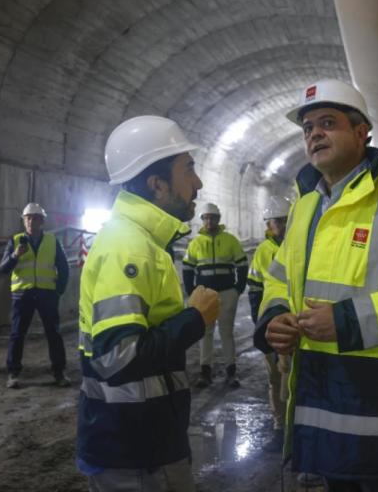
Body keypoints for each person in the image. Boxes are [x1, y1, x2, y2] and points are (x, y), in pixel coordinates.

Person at [253, 79, 378, 492]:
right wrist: (274, 318)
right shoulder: (306, 208)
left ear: (362, 131)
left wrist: (346, 320)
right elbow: (278, 279)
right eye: (308, 127)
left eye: (327, 123)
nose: (314, 134)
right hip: (323, 396)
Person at [76, 115, 220, 492]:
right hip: (135, 451)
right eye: (188, 169)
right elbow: (116, 357)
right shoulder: (129, 247)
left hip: (145, 438)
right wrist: (194, 319)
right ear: (157, 185)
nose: (199, 182)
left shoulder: (144, 242)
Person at [0, 202, 70, 389]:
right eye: (28, 218)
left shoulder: (52, 241)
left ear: (42, 221)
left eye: (35, 218)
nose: (31, 221)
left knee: (53, 333)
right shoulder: (14, 241)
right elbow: (3, 268)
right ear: (23, 221)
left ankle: (59, 372)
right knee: (17, 334)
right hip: (23, 294)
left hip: (47, 294)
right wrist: (15, 255)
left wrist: (59, 290)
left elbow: (63, 267)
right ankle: (13, 373)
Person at [183, 202, 248, 388]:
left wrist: (238, 288)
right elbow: (187, 268)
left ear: (218, 219)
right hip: (205, 295)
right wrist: (192, 291)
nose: (209, 221)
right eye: (206, 218)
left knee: (226, 332)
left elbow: (242, 264)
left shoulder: (230, 240)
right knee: (205, 332)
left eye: (212, 217)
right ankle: (205, 372)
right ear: (202, 220)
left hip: (227, 292)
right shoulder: (195, 243)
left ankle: (231, 371)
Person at [246, 197, 291, 446]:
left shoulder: (301, 245)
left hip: (295, 325)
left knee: (292, 379)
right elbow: (254, 290)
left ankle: (296, 427)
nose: (281, 227)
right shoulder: (264, 252)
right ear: (268, 224)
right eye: (277, 222)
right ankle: (279, 425)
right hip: (270, 325)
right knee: (275, 378)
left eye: (284, 221)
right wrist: (261, 327)